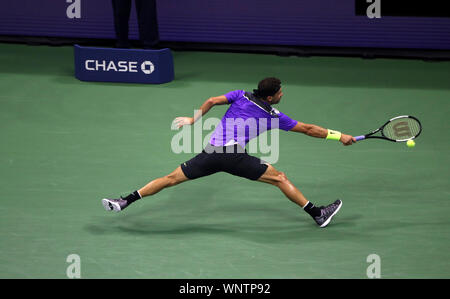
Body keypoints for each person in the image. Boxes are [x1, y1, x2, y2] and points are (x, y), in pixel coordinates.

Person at [102, 77, 356, 228]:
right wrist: (340, 136)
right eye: (280, 92)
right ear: (271, 96)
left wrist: (193, 120)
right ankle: (317, 214)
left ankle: (125, 201)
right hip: (234, 157)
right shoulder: (272, 115)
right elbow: (309, 129)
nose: (282, 94)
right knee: (280, 178)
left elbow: (212, 100)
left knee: (170, 179)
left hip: (211, 153)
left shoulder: (240, 95)